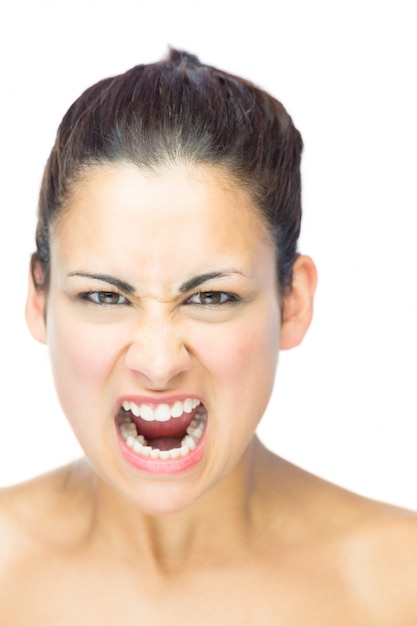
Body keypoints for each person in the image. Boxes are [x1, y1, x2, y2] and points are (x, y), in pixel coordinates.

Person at [0, 48, 416, 624]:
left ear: (292, 301)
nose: (158, 359)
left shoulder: (401, 585)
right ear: (38, 297)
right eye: (104, 296)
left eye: (212, 297)